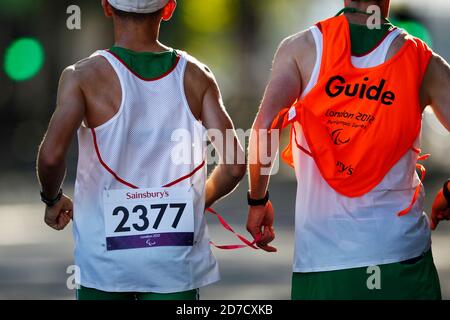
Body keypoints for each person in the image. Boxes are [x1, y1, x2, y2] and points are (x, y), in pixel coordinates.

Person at [37, 0, 246, 300]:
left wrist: (52, 198)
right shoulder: (197, 76)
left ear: (107, 7)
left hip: (104, 260)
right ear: (169, 8)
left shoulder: (81, 76)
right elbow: (235, 164)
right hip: (173, 258)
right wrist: (193, 205)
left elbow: (51, 156)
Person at [247, 0, 450, 300]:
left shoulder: (300, 48)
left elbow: (265, 126)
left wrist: (257, 201)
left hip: (323, 266)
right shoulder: (423, 61)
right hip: (402, 262)